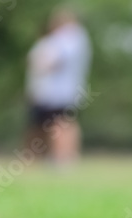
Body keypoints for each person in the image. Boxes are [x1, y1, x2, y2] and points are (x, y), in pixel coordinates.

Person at [26, 8, 91, 165]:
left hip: (59, 92)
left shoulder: (70, 37)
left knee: (61, 124)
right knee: (48, 124)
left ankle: (64, 158)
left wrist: (39, 63)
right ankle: (55, 158)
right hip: (56, 91)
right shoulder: (76, 38)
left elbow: (52, 61)